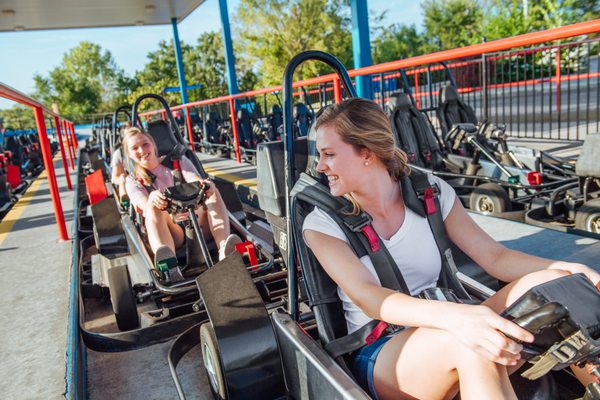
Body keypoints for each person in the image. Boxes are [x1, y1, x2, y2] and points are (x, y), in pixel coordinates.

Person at [302, 98, 600, 400]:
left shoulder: (427, 192)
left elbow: (495, 257)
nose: (320, 166)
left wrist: (571, 272)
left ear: (366, 154)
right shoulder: (321, 224)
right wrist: (457, 318)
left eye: (329, 154)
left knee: (558, 285)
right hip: (385, 347)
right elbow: (370, 298)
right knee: (471, 344)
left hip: (450, 315)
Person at [123, 126, 240, 277]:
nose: (141, 150)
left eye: (145, 144)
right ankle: (169, 266)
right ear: (129, 154)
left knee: (213, 192)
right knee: (152, 206)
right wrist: (154, 199)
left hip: (198, 222)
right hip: (171, 231)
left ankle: (224, 250)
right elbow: (143, 205)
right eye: (135, 148)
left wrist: (206, 186)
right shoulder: (132, 180)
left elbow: (196, 180)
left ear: (153, 144)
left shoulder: (178, 162)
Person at [110, 121, 131, 207]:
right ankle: (125, 200)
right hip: (128, 181)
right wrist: (123, 180)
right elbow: (114, 178)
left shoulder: (143, 149)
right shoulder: (119, 153)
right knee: (123, 177)